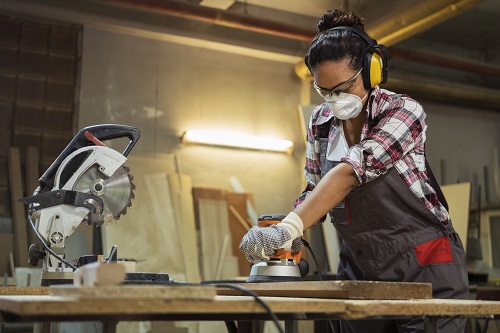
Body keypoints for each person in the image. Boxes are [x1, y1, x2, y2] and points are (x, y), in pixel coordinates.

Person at [239, 8, 469, 333]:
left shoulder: (403, 112)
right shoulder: (320, 122)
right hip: (360, 265)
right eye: (325, 92)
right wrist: (280, 232)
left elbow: (351, 172)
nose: (334, 101)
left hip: (423, 263)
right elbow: (315, 188)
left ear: (371, 72)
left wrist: (290, 226)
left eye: (343, 89)